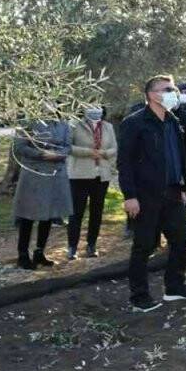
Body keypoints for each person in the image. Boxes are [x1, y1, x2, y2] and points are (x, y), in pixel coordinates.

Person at [117, 75, 186, 312]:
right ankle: (139, 296)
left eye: (173, 88)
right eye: (168, 89)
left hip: (173, 193)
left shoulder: (173, 121)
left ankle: (174, 287)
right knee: (144, 245)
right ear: (152, 95)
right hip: (145, 195)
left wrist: (183, 187)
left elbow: (178, 157)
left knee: (182, 239)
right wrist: (129, 196)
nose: (174, 92)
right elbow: (124, 162)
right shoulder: (134, 123)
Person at [12, 109, 73, 270]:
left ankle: (40, 252)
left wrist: (57, 154)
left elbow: (68, 147)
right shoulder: (28, 122)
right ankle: (23, 255)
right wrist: (41, 154)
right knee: (28, 215)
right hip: (34, 173)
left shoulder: (64, 124)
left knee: (48, 214)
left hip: (55, 174)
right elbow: (19, 146)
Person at [66, 105, 116, 259]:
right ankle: (72, 247)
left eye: (98, 108)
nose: (96, 111)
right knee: (76, 212)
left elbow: (114, 148)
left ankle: (91, 245)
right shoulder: (74, 125)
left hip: (101, 176)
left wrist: (103, 154)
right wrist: (88, 152)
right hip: (79, 175)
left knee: (97, 212)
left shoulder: (108, 127)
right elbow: (67, 146)